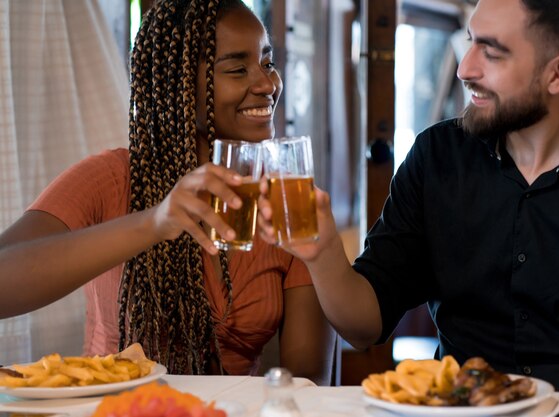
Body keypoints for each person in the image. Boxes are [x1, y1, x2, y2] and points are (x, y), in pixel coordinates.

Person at [258, 0, 559, 391]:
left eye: (491, 52)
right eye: (470, 42)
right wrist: (323, 250)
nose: (464, 68)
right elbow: (364, 327)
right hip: (464, 410)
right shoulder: (436, 156)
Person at [0, 0, 336, 384]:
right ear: (179, 84)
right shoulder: (113, 178)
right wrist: (155, 221)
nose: (268, 84)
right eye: (238, 69)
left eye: (267, 63)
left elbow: (308, 382)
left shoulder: (286, 202)